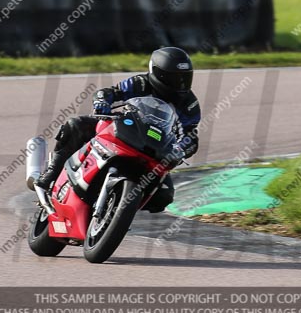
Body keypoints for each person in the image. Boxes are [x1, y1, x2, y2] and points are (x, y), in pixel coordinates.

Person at [35, 47, 201, 212]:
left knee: (164, 195)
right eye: (174, 78)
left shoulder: (190, 104)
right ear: (157, 72)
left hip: (155, 148)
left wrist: (182, 148)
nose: (181, 84)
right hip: (125, 130)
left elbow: (191, 136)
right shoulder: (140, 83)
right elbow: (109, 93)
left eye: (185, 78)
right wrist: (102, 102)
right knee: (75, 125)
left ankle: (117, 210)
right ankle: (51, 174)